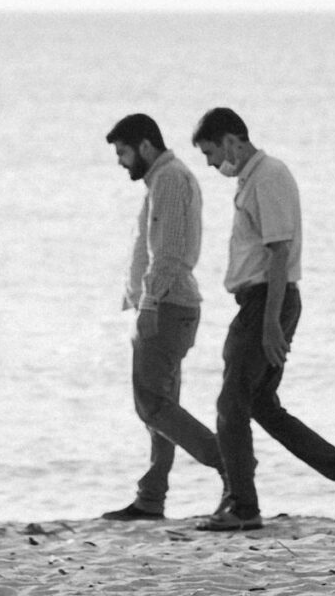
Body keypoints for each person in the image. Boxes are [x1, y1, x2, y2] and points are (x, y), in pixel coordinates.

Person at [191, 107, 335, 532]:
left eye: (212, 152)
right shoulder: (253, 179)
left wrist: (270, 322)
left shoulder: (268, 176)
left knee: (231, 404)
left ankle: (244, 507)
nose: (212, 164)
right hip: (264, 302)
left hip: (266, 301)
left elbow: (279, 252)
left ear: (233, 141)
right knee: (260, 404)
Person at [102, 113, 226, 521]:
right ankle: (151, 497)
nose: (121, 162)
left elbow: (168, 252)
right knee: (162, 405)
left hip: (168, 305)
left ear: (144, 145)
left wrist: (150, 304)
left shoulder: (170, 179)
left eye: (123, 152)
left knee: (152, 406)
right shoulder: (163, 178)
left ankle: (231, 466)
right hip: (168, 304)